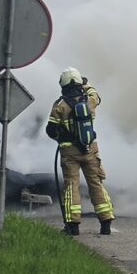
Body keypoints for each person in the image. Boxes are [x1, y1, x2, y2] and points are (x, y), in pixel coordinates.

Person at [45, 67, 114, 236]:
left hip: (69, 152)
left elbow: (51, 130)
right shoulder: (89, 100)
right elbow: (96, 94)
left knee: (71, 186)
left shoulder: (59, 106)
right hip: (90, 149)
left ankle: (72, 226)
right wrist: (86, 83)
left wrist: (61, 136)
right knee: (96, 183)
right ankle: (106, 222)